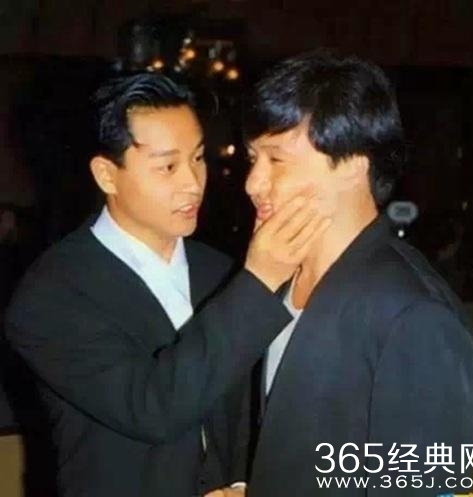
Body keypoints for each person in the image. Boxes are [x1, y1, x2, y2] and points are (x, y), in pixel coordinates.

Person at [5, 73, 330, 497]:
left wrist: (243, 483)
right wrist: (261, 279)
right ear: (107, 175)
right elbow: (152, 409)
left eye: (198, 158)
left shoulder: (219, 270)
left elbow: (244, 410)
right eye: (168, 167)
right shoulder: (51, 295)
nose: (193, 183)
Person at [208, 50, 473, 497]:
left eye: (276, 160)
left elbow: (429, 484)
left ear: (353, 164)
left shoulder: (413, 313)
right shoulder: (277, 277)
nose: (253, 183)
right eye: (253, 158)